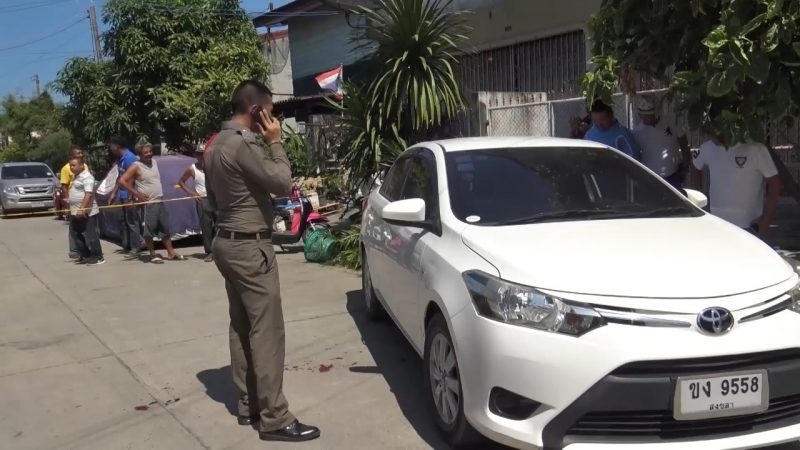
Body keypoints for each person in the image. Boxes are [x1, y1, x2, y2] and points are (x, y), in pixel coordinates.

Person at [205, 80, 320, 442]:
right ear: (257, 110)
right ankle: (274, 417)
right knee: (266, 331)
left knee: (241, 326)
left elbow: (211, 200)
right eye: (271, 110)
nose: (273, 118)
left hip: (226, 241)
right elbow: (282, 183)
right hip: (251, 247)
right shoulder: (244, 144)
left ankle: (248, 404)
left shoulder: (214, 145)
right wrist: (275, 142)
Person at [691, 134, 782, 234]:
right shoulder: (707, 147)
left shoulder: (756, 149)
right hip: (716, 226)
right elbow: (695, 166)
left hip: (749, 228)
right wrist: (699, 203)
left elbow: (774, 183)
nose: (712, 134)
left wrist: (766, 222)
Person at [118, 143, 186, 264]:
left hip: (160, 201)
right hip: (148, 204)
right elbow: (122, 181)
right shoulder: (136, 166)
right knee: (149, 231)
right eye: (146, 152)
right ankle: (152, 254)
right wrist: (136, 194)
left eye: (150, 151)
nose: (149, 154)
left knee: (165, 229)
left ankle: (171, 253)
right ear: (140, 155)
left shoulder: (154, 162)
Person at [633, 95, 691, 192]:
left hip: (673, 175)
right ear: (640, 115)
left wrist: (685, 165)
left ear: (657, 112)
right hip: (650, 177)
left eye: (651, 115)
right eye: (645, 116)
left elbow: (684, 143)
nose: (649, 119)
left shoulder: (672, 122)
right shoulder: (637, 132)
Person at [107, 137, 143, 255]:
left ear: (117, 146)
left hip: (129, 195)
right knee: (124, 221)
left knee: (132, 222)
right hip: (122, 194)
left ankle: (136, 246)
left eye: (112, 146)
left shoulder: (129, 158)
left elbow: (132, 178)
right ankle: (127, 245)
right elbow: (121, 178)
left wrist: (130, 196)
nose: (111, 149)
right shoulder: (120, 159)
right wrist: (113, 193)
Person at [178, 151, 215, 262]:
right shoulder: (192, 168)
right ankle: (209, 251)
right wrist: (191, 193)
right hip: (203, 199)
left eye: (203, 154)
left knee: (220, 225)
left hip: (217, 198)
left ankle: (220, 250)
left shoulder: (213, 166)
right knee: (206, 227)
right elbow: (181, 182)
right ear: (195, 156)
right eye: (199, 154)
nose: (201, 156)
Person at [67, 157, 104, 266]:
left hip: (85, 212)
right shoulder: (76, 177)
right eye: (70, 165)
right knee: (76, 233)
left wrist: (82, 208)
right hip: (75, 211)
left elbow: (88, 194)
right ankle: (86, 255)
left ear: (82, 165)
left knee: (90, 234)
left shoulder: (87, 177)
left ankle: (98, 256)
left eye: (74, 165)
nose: (71, 167)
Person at [60, 147, 89, 259]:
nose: (81, 155)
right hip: (73, 201)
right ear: (72, 156)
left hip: (83, 199)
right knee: (74, 228)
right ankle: (74, 250)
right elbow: (64, 186)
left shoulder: (84, 166)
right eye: (78, 153)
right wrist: (67, 201)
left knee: (85, 227)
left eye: (81, 153)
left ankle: (86, 250)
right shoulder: (66, 168)